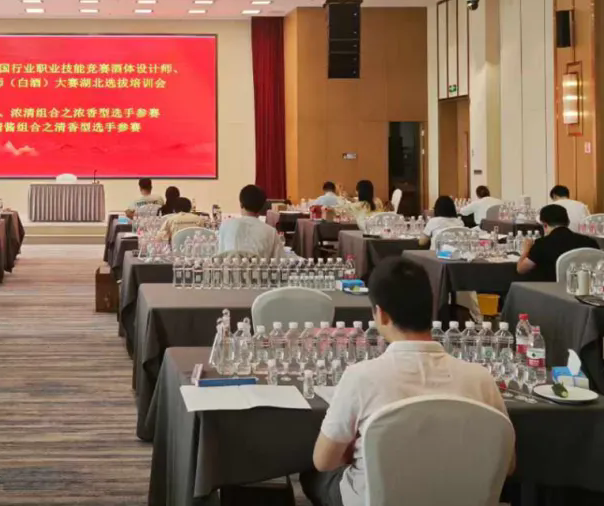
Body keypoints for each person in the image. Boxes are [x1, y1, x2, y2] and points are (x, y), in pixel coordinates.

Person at [302, 256, 510, 506]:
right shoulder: (481, 379)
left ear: (381, 315)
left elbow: (324, 461)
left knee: (313, 476)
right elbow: (507, 464)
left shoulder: (361, 378)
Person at [517, 204, 599, 282]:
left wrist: (526, 250)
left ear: (545, 225)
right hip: (584, 289)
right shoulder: (589, 242)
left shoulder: (542, 244)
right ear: (568, 222)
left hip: (549, 290)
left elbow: (521, 269)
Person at [216, 185, 283, 259]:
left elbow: (219, 257)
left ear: (241, 204)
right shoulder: (271, 232)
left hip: (229, 266)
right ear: (262, 207)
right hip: (259, 267)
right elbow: (280, 262)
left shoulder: (225, 226)